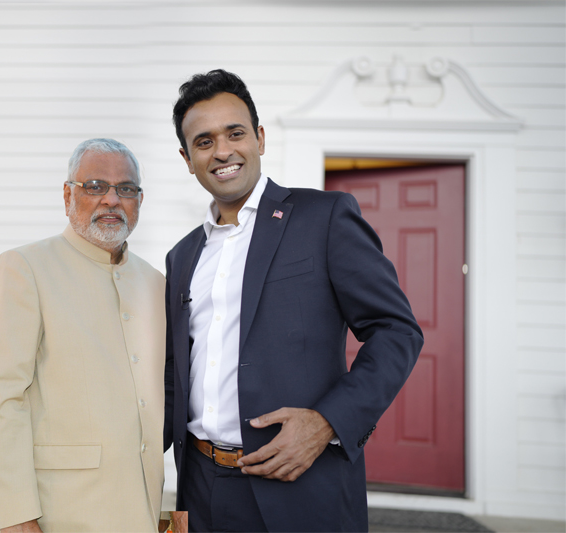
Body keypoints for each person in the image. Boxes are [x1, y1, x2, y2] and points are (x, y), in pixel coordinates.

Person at [163, 70, 424, 532]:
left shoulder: (324, 218)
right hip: (201, 488)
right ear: (187, 159)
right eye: (204, 141)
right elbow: (175, 377)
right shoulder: (182, 255)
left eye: (235, 133)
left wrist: (328, 421)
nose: (222, 151)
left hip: (302, 484)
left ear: (260, 138)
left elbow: (396, 330)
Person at [0, 138, 165, 533]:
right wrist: (16, 515)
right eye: (95, 186)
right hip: (49, 512)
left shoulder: (155, 284)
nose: (111, 199)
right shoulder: (24, 268)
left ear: (139, 201)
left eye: (125, 189)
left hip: (135, 511)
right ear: (67, 194)